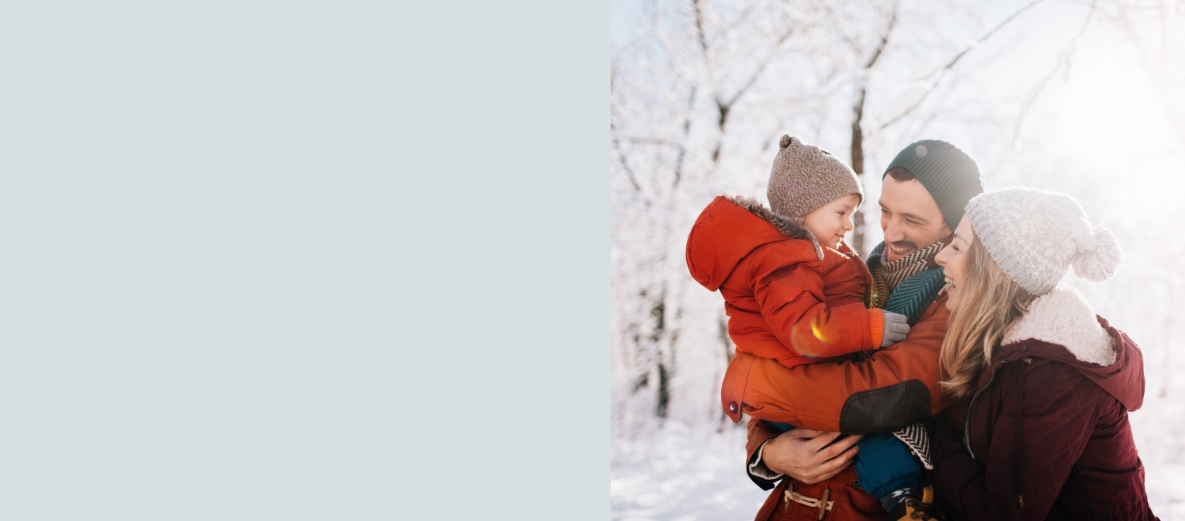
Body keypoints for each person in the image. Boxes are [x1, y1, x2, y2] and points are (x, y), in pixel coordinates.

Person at [720, 139, 984, 521]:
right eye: (884, 212)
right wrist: (769, 453)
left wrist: (753, 380)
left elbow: (884, 394)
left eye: (912, 220)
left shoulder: (956, 301)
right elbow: (789, 356)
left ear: (953, 223)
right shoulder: (852, 274)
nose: (890, 233)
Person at [685, 135, 920, 518]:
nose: (848, 225)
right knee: (874, 435)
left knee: (872, 435)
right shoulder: (786, 259)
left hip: (796, 386)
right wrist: (869, 327)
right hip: (796, 385)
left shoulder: (808, 255)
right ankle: (902, 501)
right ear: (804, 209)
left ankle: (901, 495)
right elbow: (805, 329)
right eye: (841, 212)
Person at [929, 188, 1156, 520]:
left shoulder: (1050, 374)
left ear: (992, 270)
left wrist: (926, 434)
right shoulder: (1009, 348)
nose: (941, 256)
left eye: (957, 246)